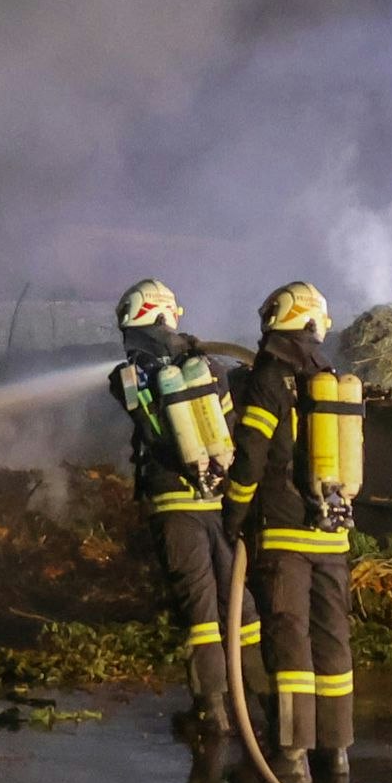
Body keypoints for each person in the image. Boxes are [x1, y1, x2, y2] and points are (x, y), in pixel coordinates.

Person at [104, 279, 248, 746]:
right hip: (217, 501)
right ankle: (260, 710)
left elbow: (150, 431)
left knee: (201, 613)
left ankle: (213, 714)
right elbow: (229, 428)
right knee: (240, 608)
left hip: (174, 506)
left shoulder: (135, 374)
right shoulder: (209, 367)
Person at [230, 280, 358, 783]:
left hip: (283, 534)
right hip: (333, 535)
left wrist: (234, 514)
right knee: (333, 640)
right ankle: (337, 751)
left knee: (289, 641)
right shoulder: (326, 376)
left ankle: (292, 756)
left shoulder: (269, 377)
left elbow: (251, 456)